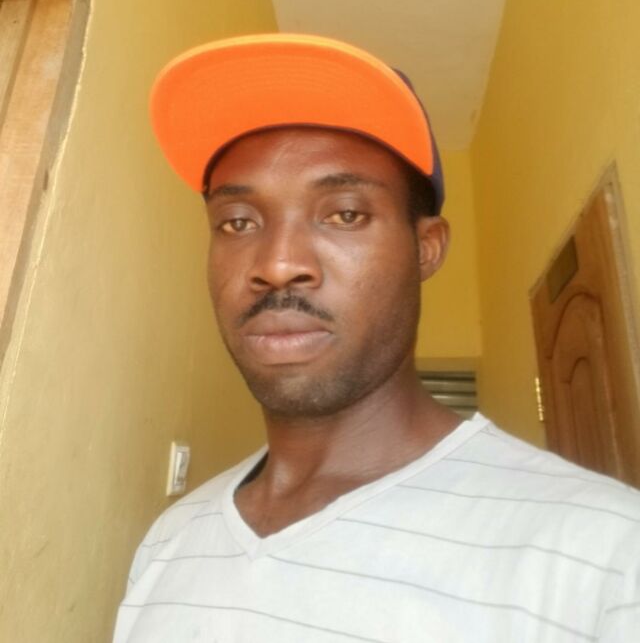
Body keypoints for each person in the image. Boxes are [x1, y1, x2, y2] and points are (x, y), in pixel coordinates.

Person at [114, 34, 640, 642]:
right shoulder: (171, 540)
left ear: (426, 248)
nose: (278, 264)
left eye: (345, 214)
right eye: (237, 222)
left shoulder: (603, 553)